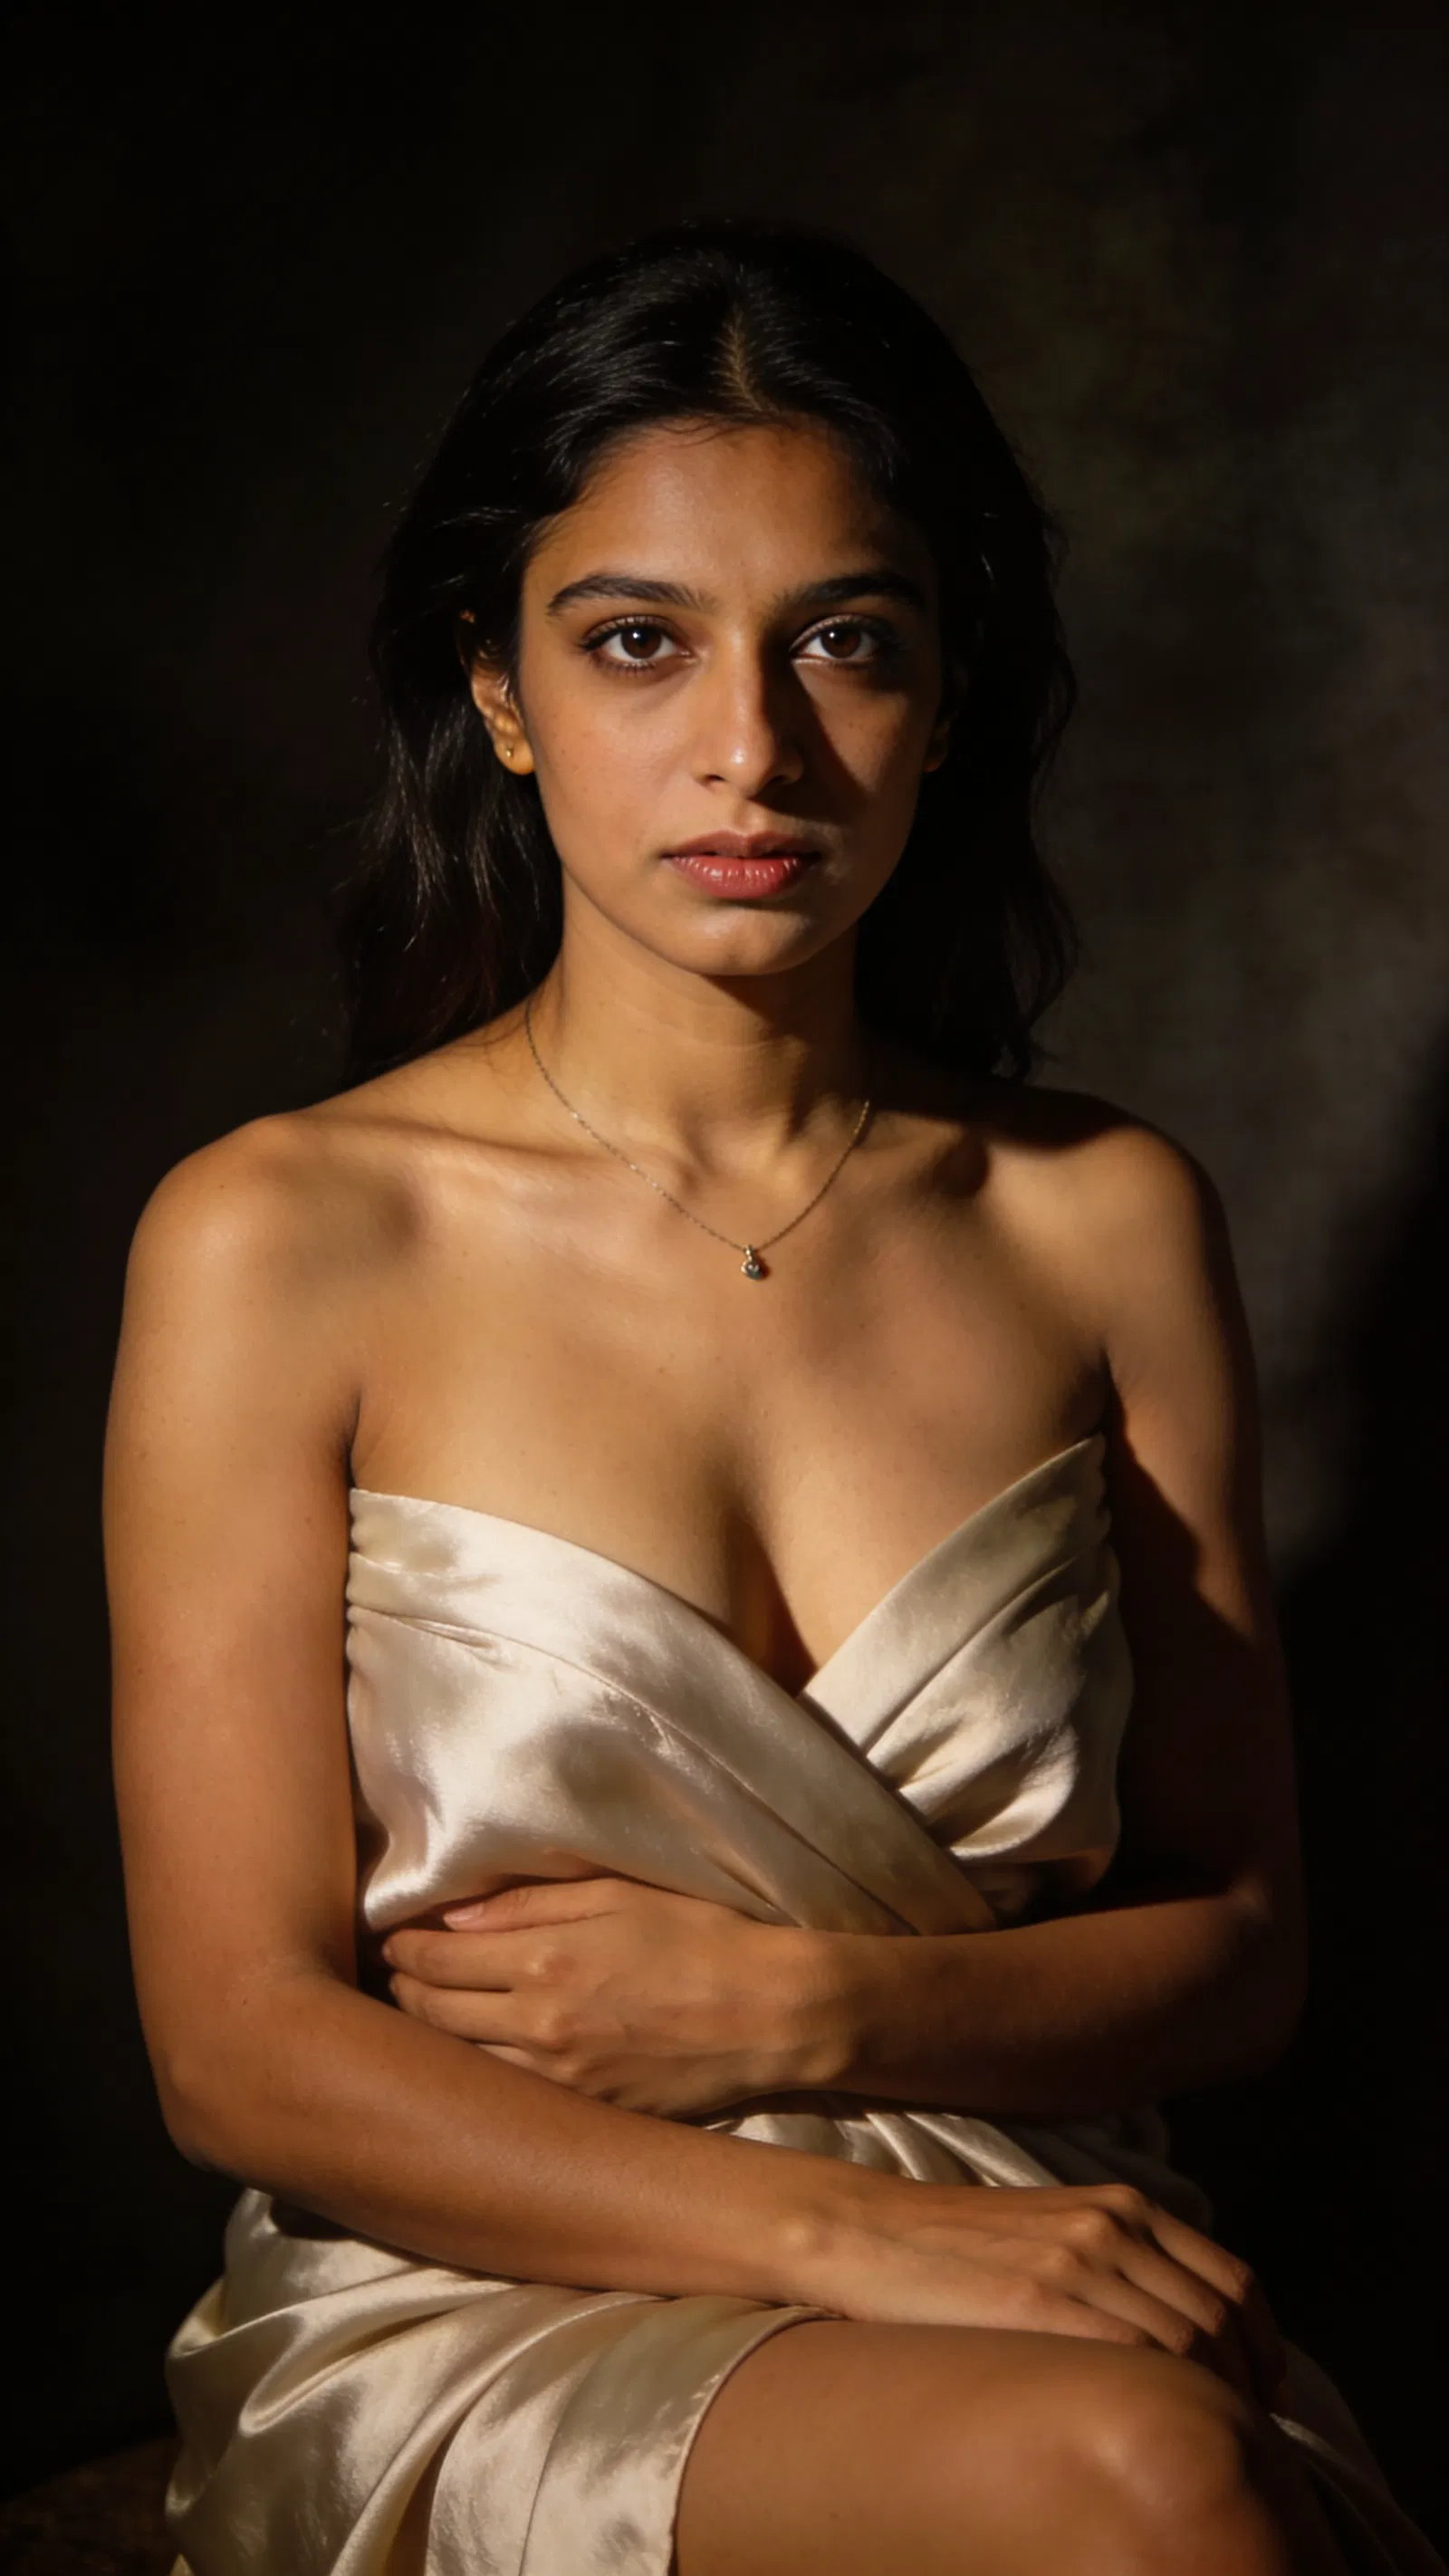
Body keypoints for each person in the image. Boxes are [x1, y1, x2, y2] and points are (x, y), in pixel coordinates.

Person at [106, 223, 1444, 2576]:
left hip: (1057, 2250)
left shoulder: (1100, 1215)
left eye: (849, 637)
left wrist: (800, 2004)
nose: (755, 745)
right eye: (639, 640)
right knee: (1147, 2480)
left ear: (944, 697)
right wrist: (855, 2240)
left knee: (1156, 2454)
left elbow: (1240, 1944)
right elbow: (239, 2038)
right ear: (498, 690)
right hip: (490, 2296)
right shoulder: (282, 1235)